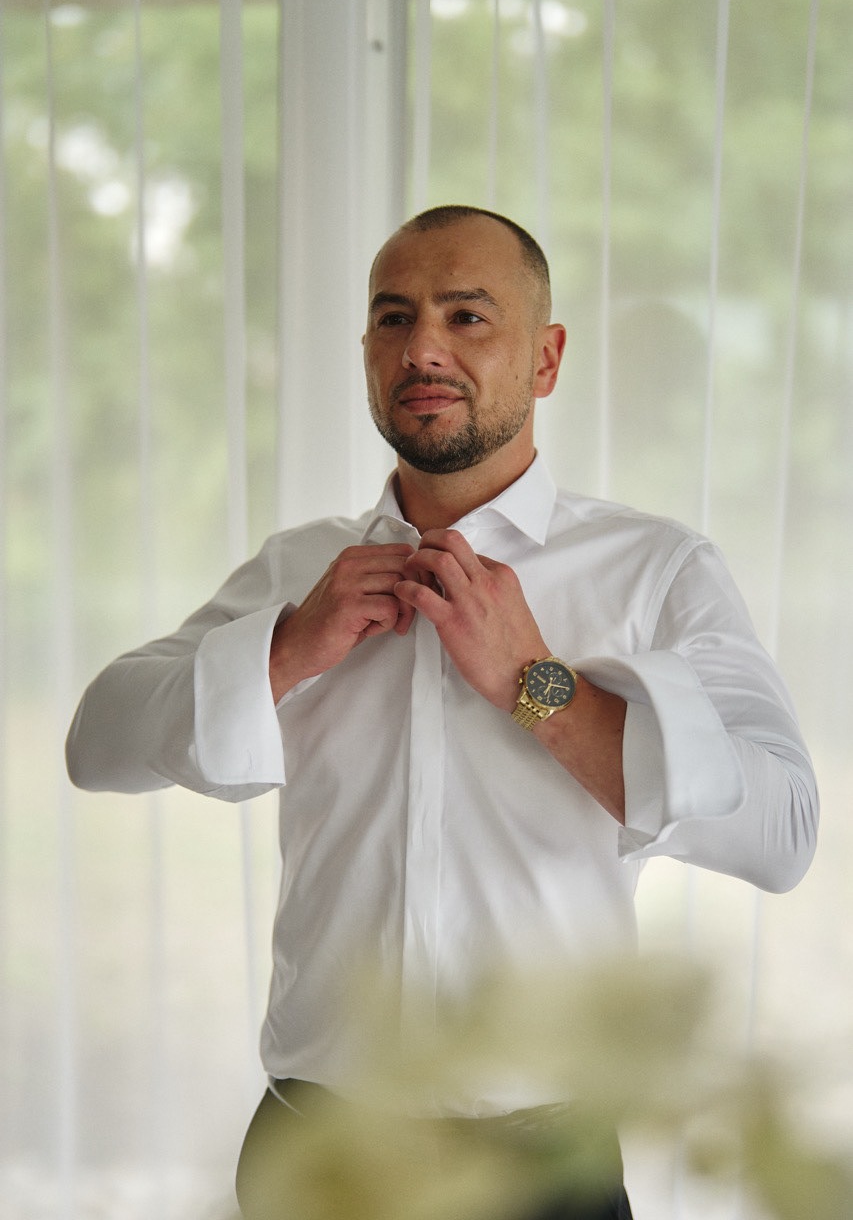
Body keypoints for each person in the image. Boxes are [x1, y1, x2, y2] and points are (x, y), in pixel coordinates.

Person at [66, 205, 818, 1220]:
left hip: (541, 1170)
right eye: (393, 318)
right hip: (317, 1156)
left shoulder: (657, 570)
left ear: (545, 357)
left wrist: (534, 682)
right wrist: (286, 649)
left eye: (466, 315)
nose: (421, 347)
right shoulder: (300, 568)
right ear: (367, 354)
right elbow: (97, 743)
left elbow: (782, 832)